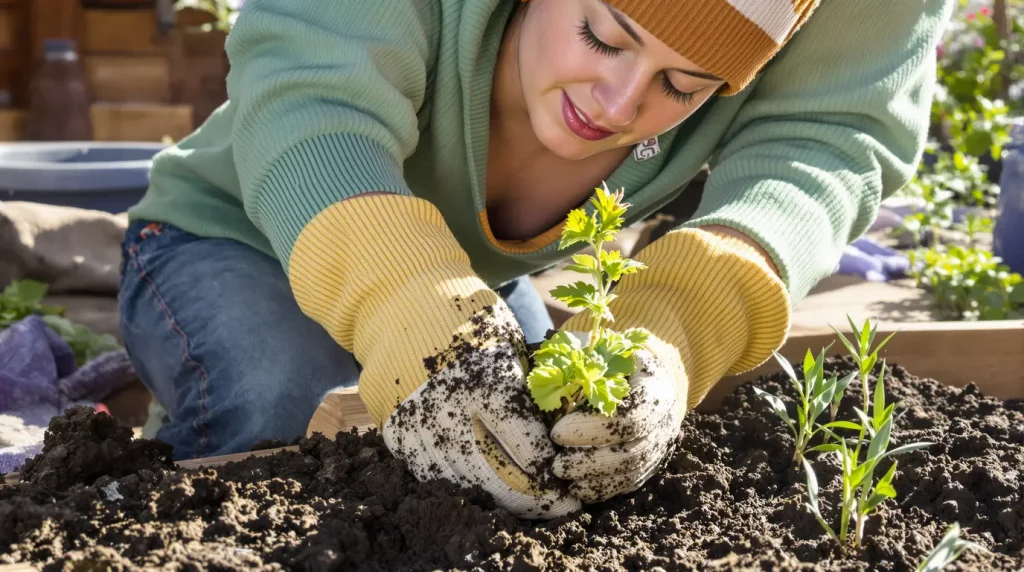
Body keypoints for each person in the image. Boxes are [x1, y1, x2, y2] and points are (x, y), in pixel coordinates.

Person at [118, 0, 952, 518]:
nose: (622, 105)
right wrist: (410, 305)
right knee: (279, 409)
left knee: (540, 464)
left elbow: (829, 136)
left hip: (479, 279)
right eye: (601, 34)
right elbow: (313, 95)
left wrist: (676, 321)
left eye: (685, 87)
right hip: (229, 232)